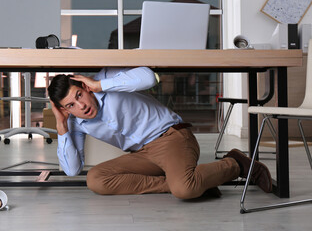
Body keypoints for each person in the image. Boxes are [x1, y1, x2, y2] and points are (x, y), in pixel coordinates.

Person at [48, 67, 272, 199]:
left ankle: (236, 164)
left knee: (184, 189)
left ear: (85, 87)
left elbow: (148, 77)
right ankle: (193, 183)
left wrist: (100, 85)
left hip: (172, 138)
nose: (81, 107)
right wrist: (61, 126)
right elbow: (72, 170)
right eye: (70, 106)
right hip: (143, 155)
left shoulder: (107, 79)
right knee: (95, 179)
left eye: (79, 95)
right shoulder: (75, 122)